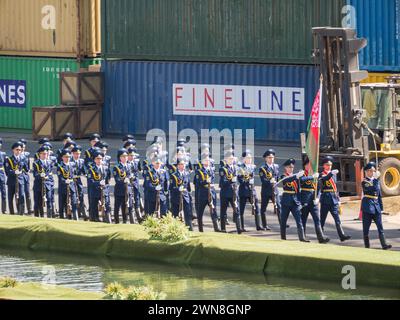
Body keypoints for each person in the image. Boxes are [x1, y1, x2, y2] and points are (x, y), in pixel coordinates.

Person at [319, 156, 351, 242]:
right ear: (324, 165)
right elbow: (325, 179)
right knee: (322, 219)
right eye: (327, 165)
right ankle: (321, 237)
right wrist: (330, 174)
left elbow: (335, 187)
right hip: (325, 199)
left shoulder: (333, 174)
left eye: (330, 165)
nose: (329, 166)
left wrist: (338, 199)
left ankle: (342, 235)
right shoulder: (322, 174)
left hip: (333, 199)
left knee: (337, 219)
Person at [361, 162, 392, 250]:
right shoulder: (364, 182)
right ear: (366, 172)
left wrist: (381, 208)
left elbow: (379, 195)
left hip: (376, 206)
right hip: (368, 206)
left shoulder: (376, 181)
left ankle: (384, 245)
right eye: (370, 171)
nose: (372, 172)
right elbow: (371, 189)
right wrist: (375, 179)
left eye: (373, 171)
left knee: (380, 227)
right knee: (366, 228)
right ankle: (367, 246)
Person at [300, 156, 330, 243]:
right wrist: (311, 177)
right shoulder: (302, 173)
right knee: (303, 219)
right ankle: (303, 237)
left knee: (317, 219)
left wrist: (318, 198)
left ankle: (321, 237)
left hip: (313, 200)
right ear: (305, 165)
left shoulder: (316, 175)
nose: (311, 166)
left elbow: (320, 188)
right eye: (309, 164)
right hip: (305, 199)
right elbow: (301, 180)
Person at [279, 159, 309, 242]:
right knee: (283, 220)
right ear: (285, 167)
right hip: (286, 200)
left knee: (299, 220)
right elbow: (286, 180)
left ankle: (302, 238)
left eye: (292, 167)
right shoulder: (283, 176)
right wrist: (296, 176)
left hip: (295, 201)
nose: (291, 169)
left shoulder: (296, 177)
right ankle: (283, 237)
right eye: (289, 167)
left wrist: (300, 202)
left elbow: (299, 190)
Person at [194, 154, 220, 232]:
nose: (207, 161)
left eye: (208, 160)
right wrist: (205, 181)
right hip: (203, 192)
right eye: (205, 160)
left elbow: (212, 181)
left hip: (211, 192)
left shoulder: (211, 170)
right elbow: (198, 183)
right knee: (200, 211)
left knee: (213, 210)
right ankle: (200, 229)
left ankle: (216, 228)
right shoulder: (199, 171)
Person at [238, 150, 262, 232]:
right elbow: (241, 180)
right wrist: (247, 179)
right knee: (241, 209)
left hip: (252, 190)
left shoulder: (253, 167)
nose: (250, 159)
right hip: (244, 190)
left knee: (256, 207)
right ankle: (241, 226)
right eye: (248, 158)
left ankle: (258, 225)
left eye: (250, 158)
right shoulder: (240, 168)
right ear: (244, 159)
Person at [219, 151, 241, 234]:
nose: (231, 160)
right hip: (225, 192)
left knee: (236, 210)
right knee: (223, 211)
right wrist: (231, 180)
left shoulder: (236, 168)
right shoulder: (223, 169)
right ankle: (223, 229)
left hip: (234, 193)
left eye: (232, 158)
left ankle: (239, 229)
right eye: (229, 159)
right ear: (225, 159)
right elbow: (223, 181)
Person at [259, 149, 281, 231]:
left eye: (272, 157)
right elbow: (263, 180)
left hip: (275, 190)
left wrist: (276, 182)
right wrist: (270, 182)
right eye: (269, 157)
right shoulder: (262, 168)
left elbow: (277, 177)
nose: (271, 159)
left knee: (279, 207)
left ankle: (282, 224)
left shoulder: (276, 166)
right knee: (263, 209)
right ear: (265, 158)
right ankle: (264, 225)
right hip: (266, 191)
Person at [87, 150, 112, 223]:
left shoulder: (106, 168)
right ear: (94, 160)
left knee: (107, 206)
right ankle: (94, 220)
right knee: (94, 207)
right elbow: (90, 181)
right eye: (97, 158)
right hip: (95, 190)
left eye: (100, 158)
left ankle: (107, 219)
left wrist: (106, 185)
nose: (99, 160)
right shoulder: (91, 169)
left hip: (104, 190)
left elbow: (108, 178)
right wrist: (98, 183)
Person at [169, 158, 193, 231]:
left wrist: (189, 193)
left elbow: (188, 186)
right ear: (178, 166)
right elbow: (171, 187)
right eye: (181, 164)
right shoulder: (173, 175)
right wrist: (178, 189)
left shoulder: (186, 174)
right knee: (175, 215)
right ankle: (175, 230)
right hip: (176, 197)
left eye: (183, 164)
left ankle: (190, 229)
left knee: (188, 214)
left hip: (185, 196)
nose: (182, 166)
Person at [143, 153, 169, 217]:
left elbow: (166, 182)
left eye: (159, 163)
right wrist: (155, 188)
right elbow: (147, 184)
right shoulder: (149, 173)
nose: (158, 165)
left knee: (163, 214)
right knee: (151, 214)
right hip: (152, 196)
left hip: (161, 196)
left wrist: (166, 190)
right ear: (153, 163)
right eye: (157, 163)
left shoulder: (163, 172)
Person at [32, 146, 54, 218]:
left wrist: (50, 182)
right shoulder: (36, 163)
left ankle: (49, 216)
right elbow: (35, 174)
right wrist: (41, 175)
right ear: (39, 154)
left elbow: (50, 175)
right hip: (38, 185)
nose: (45, 155)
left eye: (46, 153)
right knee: (38, 202)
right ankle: (38, 216)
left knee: (49, 200)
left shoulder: (50, 162)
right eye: (43, 154)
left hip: (47, 184)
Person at [5, 142, 26, 215]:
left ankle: (21, 213)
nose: (18, 151)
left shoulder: (23, 158)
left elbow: (26, 169)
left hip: (20, 181)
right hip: (11, 181)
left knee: (21, 198)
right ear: (13, 150)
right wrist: (15, 172)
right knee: (10, 199)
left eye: (20, 150)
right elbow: (7, 171)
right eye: (17, 149)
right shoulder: (9, 159)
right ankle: (12, 213)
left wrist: (22, 174)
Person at [57, 149, 78, 220]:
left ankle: (74, 217)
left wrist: (74, 178)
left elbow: (75, 174)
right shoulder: (60, 166)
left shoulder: (73, 164)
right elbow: (60, 177)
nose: (67, 158)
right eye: (65, 157)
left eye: (68, 157)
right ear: (62, 157)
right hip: (63, 187)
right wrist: (66, 181)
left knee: (73, 202)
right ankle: (62, 217)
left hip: (72, 187)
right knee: (62, 203)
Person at [113, 148, 132, 224]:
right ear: (120, 158)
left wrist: (130, 179)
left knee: (126, 206)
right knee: (117, 207)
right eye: (123, 156)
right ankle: (117, 221)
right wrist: (124, 180)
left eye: (126, 156)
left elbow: (130, 175)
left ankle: (125, 221)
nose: (125, 158)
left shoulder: (129, 166)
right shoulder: (117, 167)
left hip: (127, 190)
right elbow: (117, 179)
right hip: (119, 190)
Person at [71, 145, 88, 220]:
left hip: (78, 180)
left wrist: (86, 174)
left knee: (81, 194)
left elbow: (84, 170)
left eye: (78, 154)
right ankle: (74, 212)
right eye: (75, 154)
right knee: (73, 195)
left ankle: (83, 212)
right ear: (73, 154)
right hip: (71, 180)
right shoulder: (70, 161)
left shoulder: (81, 161)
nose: (77, 155)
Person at [127, 147, 143, 223]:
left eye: (133, 155)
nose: (132, 157)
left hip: (136, 182)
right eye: (130, 155)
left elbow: (139, 170)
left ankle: (138, 214)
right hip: (129, 183)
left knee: (137, 197)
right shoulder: (126, 163)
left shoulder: (136, 161)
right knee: (129, 199)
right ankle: (131, 216)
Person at [19, 139, 33, 215]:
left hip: (25, 175)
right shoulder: (18, 155)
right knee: (20, 193)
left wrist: (27, 172)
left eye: (24, 147)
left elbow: (28, 166)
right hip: (20, 175)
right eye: (21, 147)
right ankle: (21, 210)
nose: (23, 148)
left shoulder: (27, 155)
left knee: (27, 192)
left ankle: (29, 209)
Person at [0, 138, 6, 214]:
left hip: (1, 173)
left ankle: (4, 210)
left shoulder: (3, 154)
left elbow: (6, 166)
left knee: (3, 192)